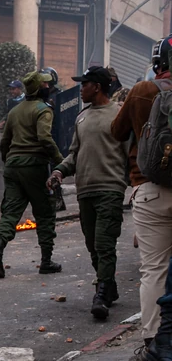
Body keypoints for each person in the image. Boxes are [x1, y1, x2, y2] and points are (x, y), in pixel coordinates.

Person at [112, 34, 172, 361]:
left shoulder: (142, 91)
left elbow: (116, 132)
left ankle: (153, 344)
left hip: (148, 188)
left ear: (157, 61)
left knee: (154, 270)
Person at [47, 66, 124, 320]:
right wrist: (59, 171)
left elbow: (131, 152)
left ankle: (101, 294)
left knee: (104, 244)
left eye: (84, 84)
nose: (80, 89)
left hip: (110, 189)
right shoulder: (81, 117)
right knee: (92, 245)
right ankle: (109, 286)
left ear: (97, 87)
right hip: (86, 192)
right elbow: (74, 153)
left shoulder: (119, 115)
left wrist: (135, 185)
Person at [0, 71, 63, 278]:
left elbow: (5, 142)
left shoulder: (14, 111)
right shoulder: (44, 110)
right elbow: (45, 138)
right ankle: (46, 261)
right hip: (35, 166)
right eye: (46, 85)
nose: (49, 88)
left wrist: (8, 161)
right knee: (45, 212)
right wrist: (60, 161)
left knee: (10, 212)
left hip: (13, 166)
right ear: (41, 89)